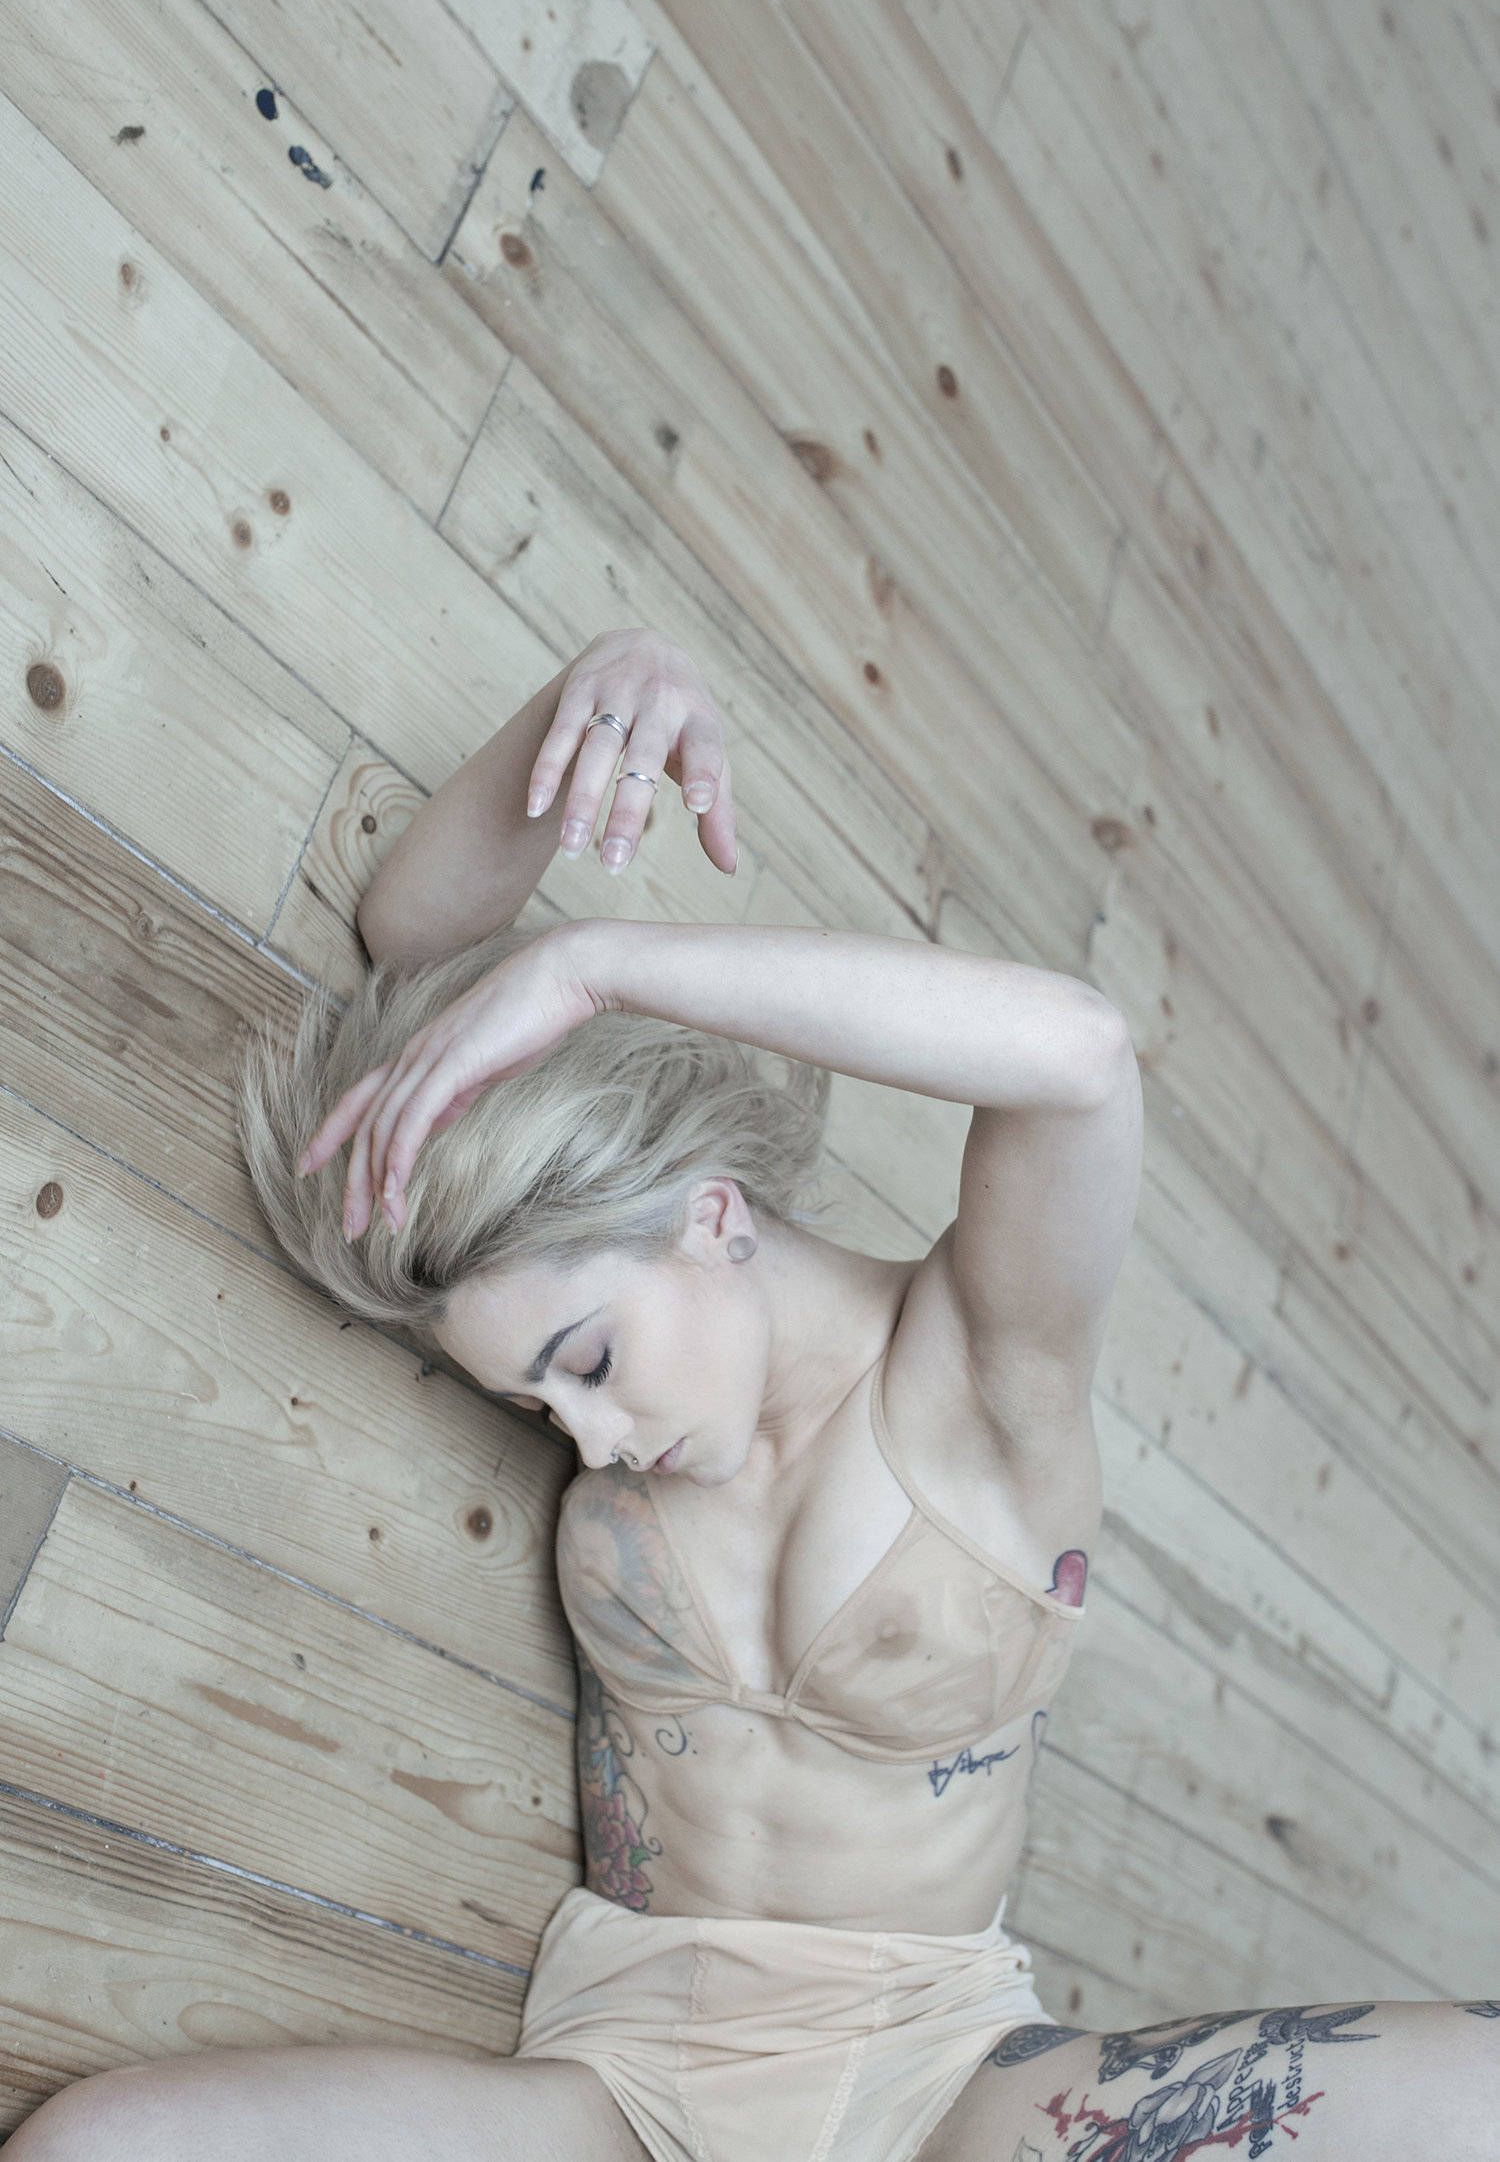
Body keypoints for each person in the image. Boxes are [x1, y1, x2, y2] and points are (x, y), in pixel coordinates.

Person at [13, 631, 1496, 2161]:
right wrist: (603, 680)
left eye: (584, 1361)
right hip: (623, 2079)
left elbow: (1074, 1053)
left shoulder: (981, 1374)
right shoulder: (636, 1359)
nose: (587, 1439)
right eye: (538, 1408)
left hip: (937, 2087)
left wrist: (596, 963)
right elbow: (411, 938)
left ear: (711, 1215)